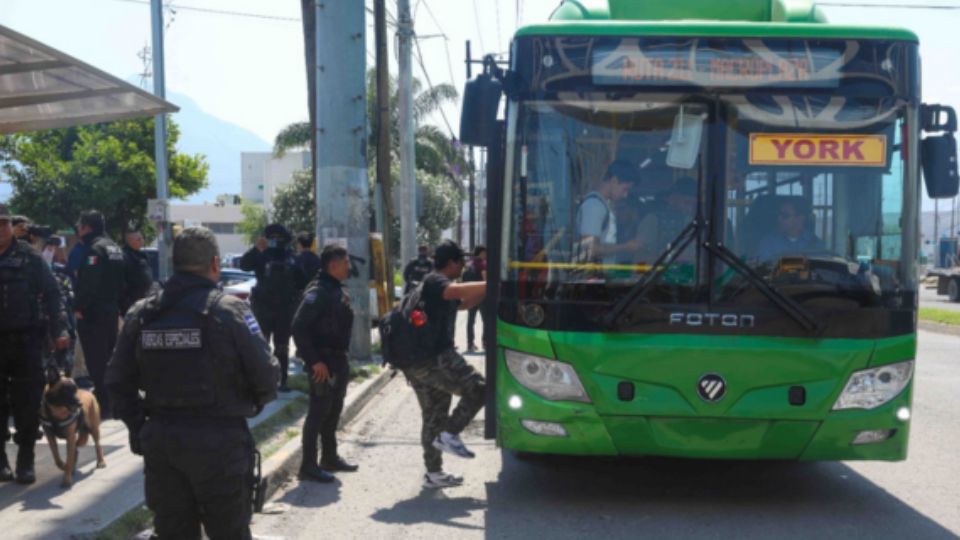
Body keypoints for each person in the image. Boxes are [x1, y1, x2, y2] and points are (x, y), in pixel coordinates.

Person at [106, 227, 279, 540]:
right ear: (215, 263)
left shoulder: (142, 313)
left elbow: (117, 381)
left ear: (174, 263)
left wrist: (139, 428)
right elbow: (267, 377)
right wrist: (250, 405)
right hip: (220, 443)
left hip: (162, 442)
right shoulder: (229, 310)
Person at [402, 240, 487, 489]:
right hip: (434, 358)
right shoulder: (436, 281)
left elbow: (463, 303)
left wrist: (486, 290)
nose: (462, 268)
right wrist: (494, 283)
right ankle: (450, 434)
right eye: (461, 263)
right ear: (451, 263)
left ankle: (433, 473)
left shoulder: (435, 288)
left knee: (433, 417)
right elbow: (455, 292)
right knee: (480, 388)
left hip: (416, 362)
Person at [0, 204, 69, 484]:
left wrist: (59, 329)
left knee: (27, 404)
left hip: (26, 342)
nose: (1, 230)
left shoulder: (30, 256)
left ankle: (25, 460)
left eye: (3, 224)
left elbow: (53, 294)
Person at [291, 244, 358, 482]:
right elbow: (298, 327)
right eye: (346, 263)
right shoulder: (318, 292)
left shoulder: (336, 290)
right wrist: (314, 360)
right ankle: (308, 465)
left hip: (337, 359)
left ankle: (329, 457)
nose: (349, 267)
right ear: (333, 266)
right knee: (318, 413)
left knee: (333, 411)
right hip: (322, 362)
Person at [240, 223, 307, 392]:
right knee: (261, 346)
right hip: (263, 308)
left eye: (279, 238)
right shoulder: (261, 256)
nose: (276, 241)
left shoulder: (291, 258)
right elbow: (244, 265)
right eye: (272, 238)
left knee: (282, 347)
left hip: (284, 310)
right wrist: (256, 249)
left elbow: (302, 282)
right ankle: (261, 381)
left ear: (285, 240)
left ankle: (281, 380)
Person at [74, 210, 125, 419]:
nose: (77, 229)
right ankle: (113, 400)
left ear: (87, 226)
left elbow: (89, 285)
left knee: (97, 361)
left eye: (79, 225)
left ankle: (104, 403)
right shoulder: (114, 247)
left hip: (94, 315)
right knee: (110, 358)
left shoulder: (94, 249)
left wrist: (78, 307)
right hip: (111, 312)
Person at [576, 160, 643, 265]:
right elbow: (590, 248)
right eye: (625, 189)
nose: (625, 195)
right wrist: (626, 247)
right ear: (614, 181)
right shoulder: (595, 206)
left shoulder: (603, 205)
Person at [636, 176, 698, 262]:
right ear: (672, 199)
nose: (689, 209)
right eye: (686, 203)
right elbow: (640, 259)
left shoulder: (694, 223)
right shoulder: (652, 220)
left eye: (693, 205)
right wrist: (670, 259)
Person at [754, 198, 826, 264]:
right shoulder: (769, 242)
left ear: (799, 219)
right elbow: (761, 269)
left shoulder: (816, 244)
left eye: (784, 215)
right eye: (779, 214)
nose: (779, 219)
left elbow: (823, 271)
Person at [120, 230, 154, 315]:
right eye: (139, 239)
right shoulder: (124, 256)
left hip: (144, 300)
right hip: (131, 303)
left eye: (142, 238)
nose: (142, 240)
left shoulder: (142, 255)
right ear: (130, 241)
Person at [463, 246, 487, 352]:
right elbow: (485, 278)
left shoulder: (468, 264)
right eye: (485, 253)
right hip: (481, 296)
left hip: (470, 296)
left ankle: (470, 344)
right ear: (481, 252)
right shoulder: (482, 264)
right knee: (486, 320)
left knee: (470, 320)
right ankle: (485, 343)